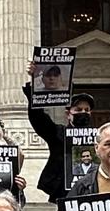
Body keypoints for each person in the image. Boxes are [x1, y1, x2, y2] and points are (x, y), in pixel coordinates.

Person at [22, 68, 94, 200]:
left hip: (92, 193)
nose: (83, 112)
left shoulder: (100, 136)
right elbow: (38, 118)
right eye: (78, 110)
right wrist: (35, 84)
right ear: (68, 114)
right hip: (63, 193)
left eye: (86, 110)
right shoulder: (58, 133)